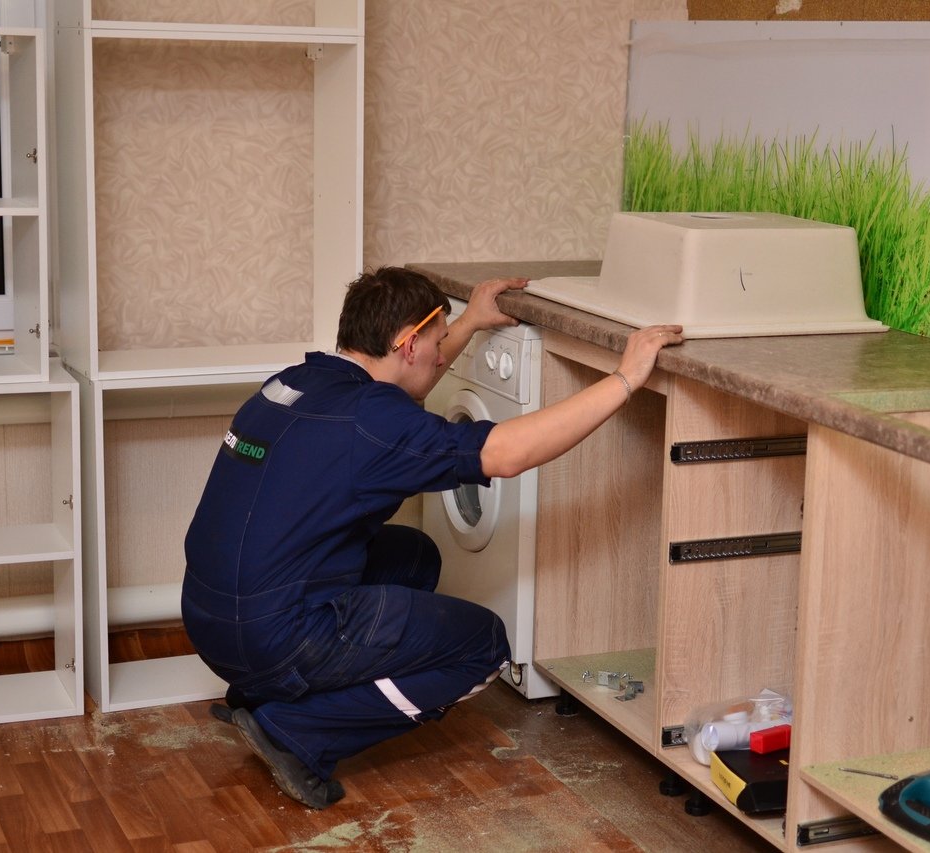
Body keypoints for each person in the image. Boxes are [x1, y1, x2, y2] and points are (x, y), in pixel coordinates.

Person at [181, 266, 683, 809]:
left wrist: (465, 323)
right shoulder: (372, 421)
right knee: (483, 646)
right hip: (274, 638)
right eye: (438, 343)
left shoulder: (301, 382)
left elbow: (395, 402)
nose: (445, 355)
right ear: (406, 342)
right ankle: (297, 729)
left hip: (212, 621)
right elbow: (506, 454)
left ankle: (253, 697)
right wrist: (625, 379)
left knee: (414, 557)